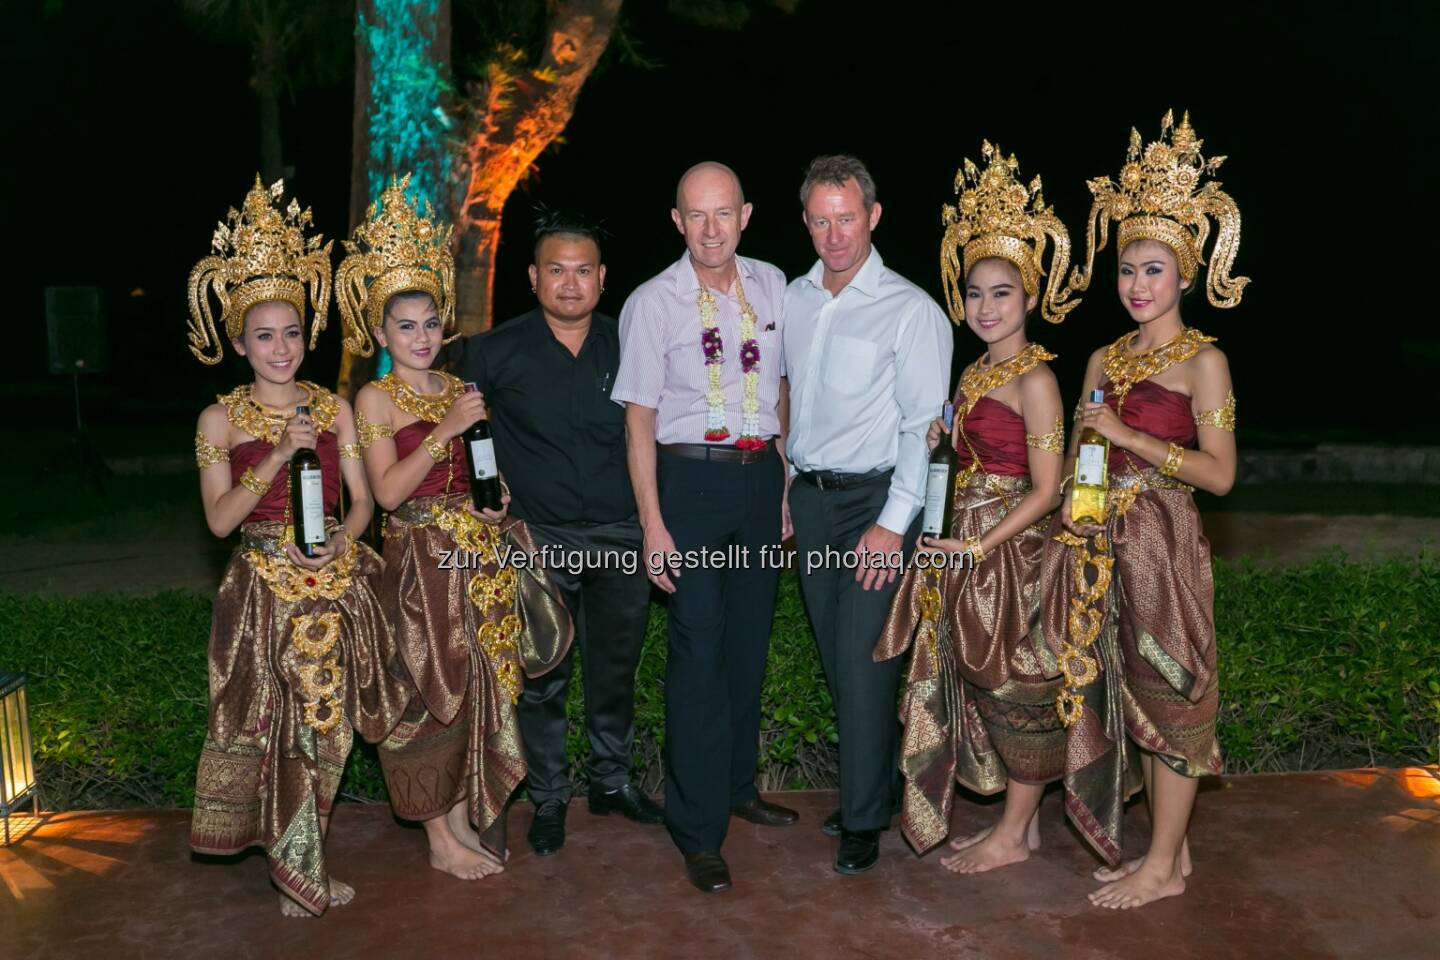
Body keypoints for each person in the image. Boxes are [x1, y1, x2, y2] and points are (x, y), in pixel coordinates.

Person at [187, 177, 406, 916]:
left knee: (332, 728)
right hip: (259, 591)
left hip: (334, 581)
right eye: (262, 336)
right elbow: (220, 523)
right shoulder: (218, 420)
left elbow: (366, 501)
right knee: (279, 729)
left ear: (305, 333)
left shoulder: (334, 405)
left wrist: (339, 545)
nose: (278, 348)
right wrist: (278, 455)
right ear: (238, 340)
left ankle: (304, 854)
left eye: (289, 333)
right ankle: (295, 867)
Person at [340, 176, 570, 878]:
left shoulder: (458, 390)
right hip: (417, 564)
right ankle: (438, 839)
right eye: (405, 326)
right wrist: (443, 430)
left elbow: (479, 475)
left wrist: (492, 505)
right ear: (382, 333)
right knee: (421, 695)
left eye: (431, 324)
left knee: (476, 693)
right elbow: (385, 493)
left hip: (477, 555)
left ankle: (468, 818)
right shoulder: (376, 397)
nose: (420, 337)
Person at [1048, 110, 1246, 909]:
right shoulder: (1101, 356)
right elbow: (1083, 460)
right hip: (1105, 544)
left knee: (1170, 692)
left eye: (1154, 270)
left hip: (1165, 540)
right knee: (1122, 691)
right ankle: (1174, 853)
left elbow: (1222, 477)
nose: (1137, 285)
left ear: (1186, 273)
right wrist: (1078, 513)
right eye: (1128, 269)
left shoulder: (1207, 362)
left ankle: (1160, 869)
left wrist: (1129, 433)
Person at [876, 143, 1075, 873]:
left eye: (1003, 293)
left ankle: (1013, 832)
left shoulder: (1039, 379)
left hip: (1010, 552)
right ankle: (1016, 831)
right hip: (963, 546)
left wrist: (984, 548)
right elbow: (977, 453)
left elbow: (1048, 487)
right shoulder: (977, 368)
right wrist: (945, 434)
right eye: (976, 293)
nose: (986, 307)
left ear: (1030, 298)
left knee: (1019, 683)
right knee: (979, 683)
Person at [455, 210, 664, 858]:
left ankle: (610, 781)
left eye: (582, 271)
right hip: (536, 538)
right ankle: (548, 798)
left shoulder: (631, 343)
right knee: (540, 676)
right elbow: (450, 428)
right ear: (532, 277)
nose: (569, 284)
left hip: (620, 535)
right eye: (555, 270)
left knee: (613, 670)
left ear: (602, 279)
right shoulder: (491, 351)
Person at [611, 161, 793, 893]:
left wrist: (784, 480)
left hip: (759, 483)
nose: (711, 229)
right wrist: (653, 524)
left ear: (746, 215)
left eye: (724, 214)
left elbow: (781, 385)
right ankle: (697, 828)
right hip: (688, 484)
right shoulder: (652, 302)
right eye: (697, 215)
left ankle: (738, 786)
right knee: (697, 651)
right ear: (677, 221)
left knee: (749, 643)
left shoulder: (777, 285)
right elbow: (638, 418)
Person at [783, 155, 953, 875]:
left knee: (861, 660)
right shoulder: (791, 297)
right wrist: (787, 483)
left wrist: (893, 523)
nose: (835, 234)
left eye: (846, 217)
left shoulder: (911, 309)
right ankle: (878, 788)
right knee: (837, 656)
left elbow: (924, 426)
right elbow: (789, 391)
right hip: (810, 501)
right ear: (806, 222)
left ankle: (861, 821)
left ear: (873, 216)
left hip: (877, 503)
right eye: (821, 220)